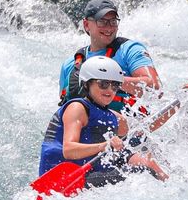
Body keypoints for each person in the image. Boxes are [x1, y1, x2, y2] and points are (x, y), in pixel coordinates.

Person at [39, 56, 168, 186]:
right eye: (103, 84)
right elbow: (69, 150)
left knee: (146, 161)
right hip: (61, 178)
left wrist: (180, 101)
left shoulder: (112, 115)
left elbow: (146, 127)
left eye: (115, 85)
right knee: (141, 171)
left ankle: (170, 186)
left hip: (88, 172)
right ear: (86, 83)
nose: (109, 90)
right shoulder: (77, 108)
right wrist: (105, 145)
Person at [58, 0, 160, 114]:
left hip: (124, 127)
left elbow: (155, 89)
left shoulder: (130, 50)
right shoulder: (70, 65)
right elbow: (63, 108)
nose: (109, 28)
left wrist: (111, 80)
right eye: (102, 21)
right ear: (86, 25)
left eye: (113, 21)